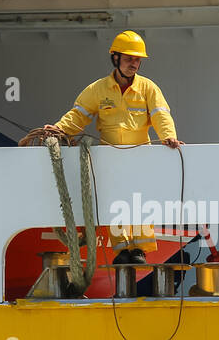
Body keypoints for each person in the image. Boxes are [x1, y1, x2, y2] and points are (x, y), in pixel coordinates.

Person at [43, 30, 182, 264]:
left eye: (137, 60)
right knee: (116, 202)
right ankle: (121, 250)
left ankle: (140, 249)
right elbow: (79, 115)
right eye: (129, 59)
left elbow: (161, 115)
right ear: (115, 58)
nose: (134, 64)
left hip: (140, 156)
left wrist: (169, 136)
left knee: (139, 201)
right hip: (109, 158)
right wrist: (59, 129)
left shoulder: (148, 88)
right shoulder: (98, 90)